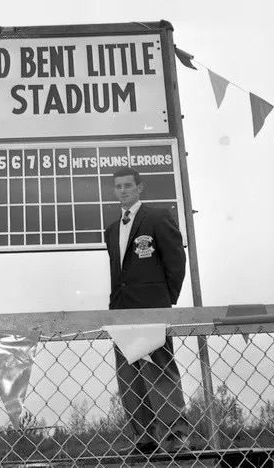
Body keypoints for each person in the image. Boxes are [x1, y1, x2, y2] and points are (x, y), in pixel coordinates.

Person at [104, 167, 189, 455]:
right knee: (129, 377)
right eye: (118, 187)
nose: (123, 191)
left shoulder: (157, 217)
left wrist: (165, 299)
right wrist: (115, 308)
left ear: (140, 188)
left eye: (128, 185)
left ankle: (174, 436)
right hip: (122, 311)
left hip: (152, 309)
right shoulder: (113, 229)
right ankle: (144, 440)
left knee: (159, 370)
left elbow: (176, 260)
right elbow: (119, 274)